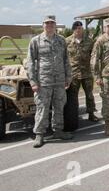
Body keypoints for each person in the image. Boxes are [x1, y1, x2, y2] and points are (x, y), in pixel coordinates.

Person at [26, 15, 73, 148]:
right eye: (47, 23)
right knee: (42, 108)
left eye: (52, 23)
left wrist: (68, 77)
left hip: (59, 80)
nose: (50, 25)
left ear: (55, 25)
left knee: (59, 107)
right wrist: (33, 82)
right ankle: (39, 134)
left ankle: (58, 131)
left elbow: (66, 60)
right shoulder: (36, 41)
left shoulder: (61, 40)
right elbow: (30, 62)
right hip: (43, 81)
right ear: (43, 25)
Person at [66, 21, 99, 123]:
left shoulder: (89, 41)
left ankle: (91, 113)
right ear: (73, 29)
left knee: (89, 95)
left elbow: (94, 56)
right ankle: (74, 115)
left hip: (87, 72)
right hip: (74, 73)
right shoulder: (67, 41)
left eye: (80, 28)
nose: (79, 30)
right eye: (77, 28)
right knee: (73, 96)